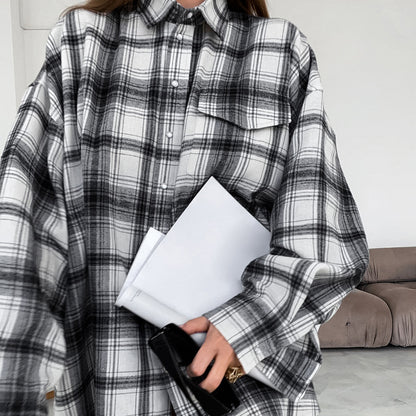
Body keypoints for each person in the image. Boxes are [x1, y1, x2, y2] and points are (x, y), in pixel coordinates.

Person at [0, 0, 369, 414]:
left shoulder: (281, 50)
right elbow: (23, 227)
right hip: (110, 384)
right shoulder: (81, 41)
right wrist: (15, 391)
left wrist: (246, 324)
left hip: (240, 393)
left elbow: (324, 233)